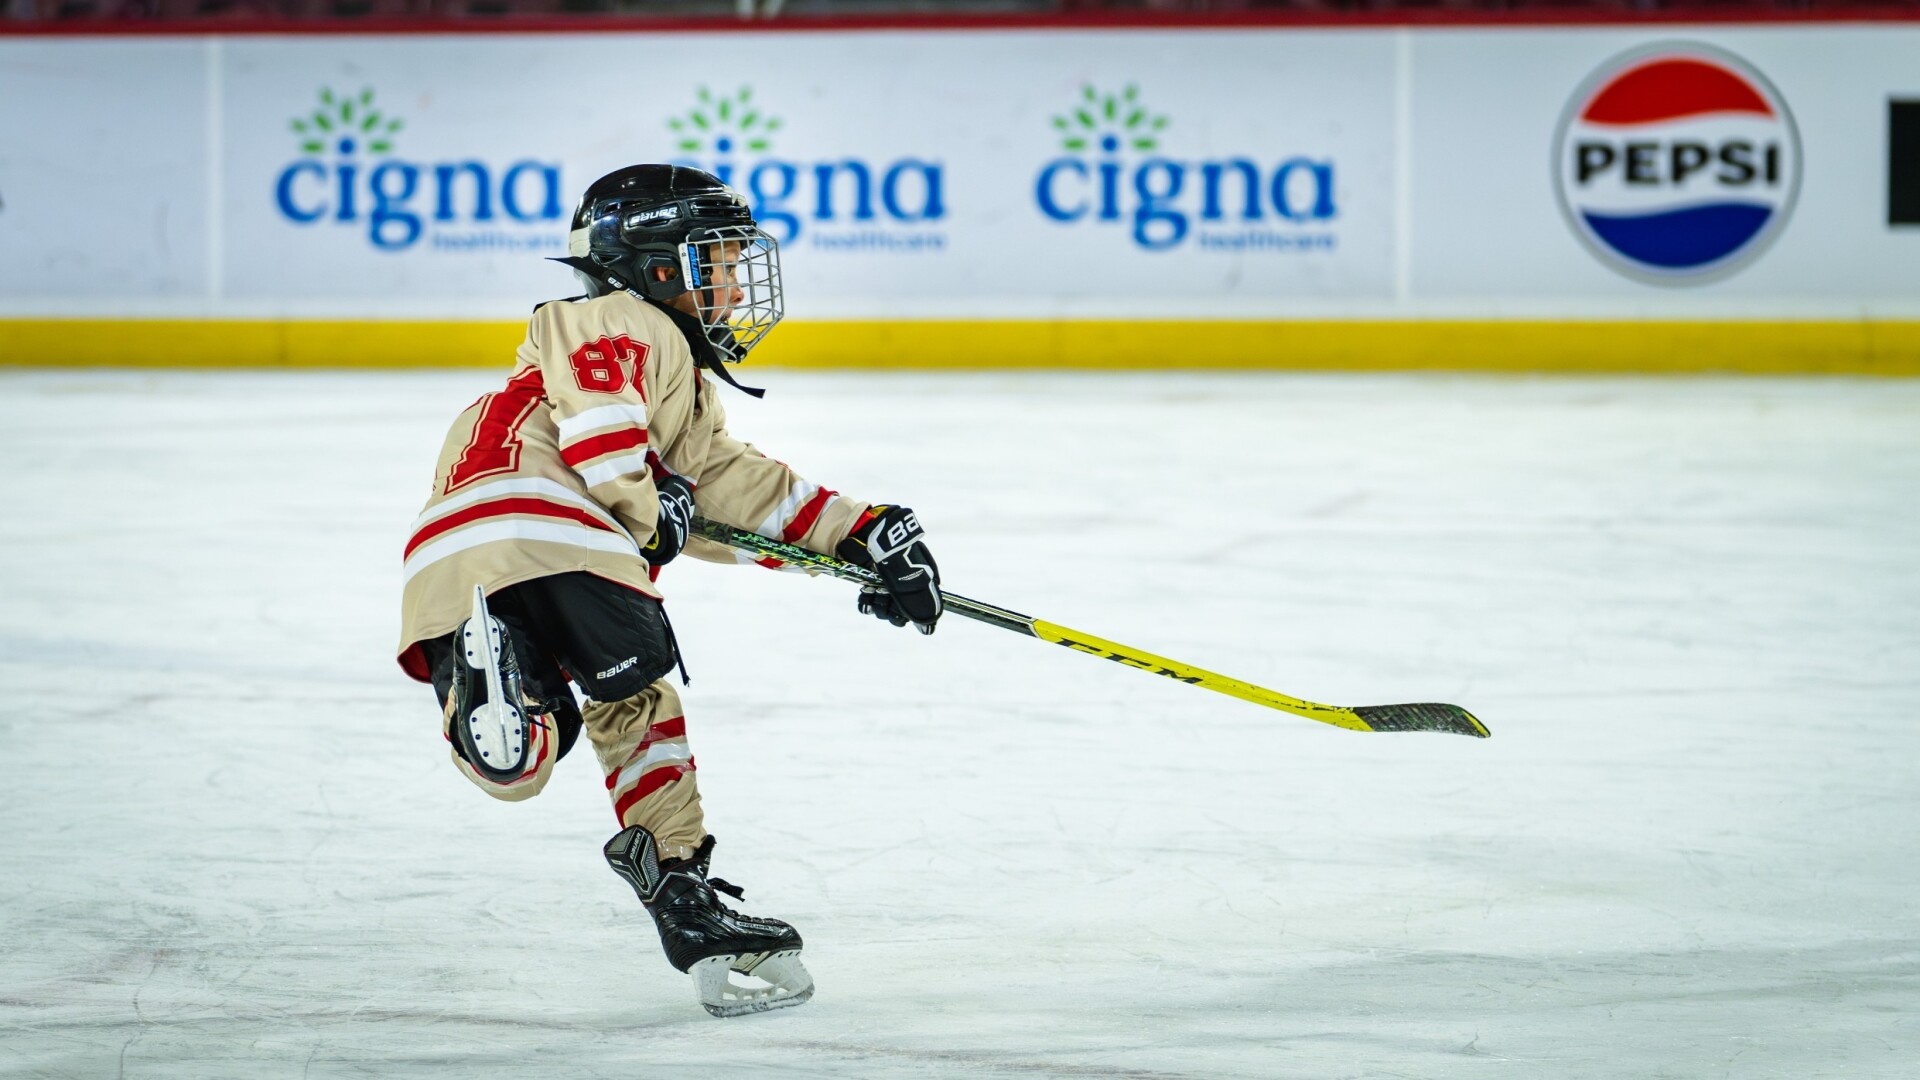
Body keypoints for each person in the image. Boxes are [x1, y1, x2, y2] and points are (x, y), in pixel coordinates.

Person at [394, 164, 944, 1017]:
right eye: (714, 260)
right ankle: (508, 677)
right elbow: (609, 438)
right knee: (637, 700)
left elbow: (725, 485)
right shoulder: (617, 320)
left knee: (534, 759)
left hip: (448, 567)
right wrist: (647, 510)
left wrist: (861, 534)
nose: (730, 281)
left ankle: (676, 889)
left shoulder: (617, 383)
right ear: (653, 267)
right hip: (565, 531)